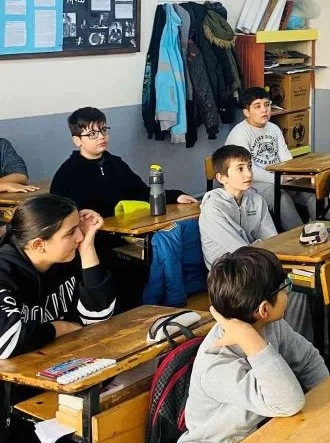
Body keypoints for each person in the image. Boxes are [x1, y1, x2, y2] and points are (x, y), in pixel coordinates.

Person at [178, 246, 328, 443]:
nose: (288, 292)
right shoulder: (216, 364)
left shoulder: (270, 325)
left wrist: (325, 417)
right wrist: (250, 339)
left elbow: (309, 360)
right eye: (285, 287)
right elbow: (288, 401)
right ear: (263, 309)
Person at [199, 145, 312, 341]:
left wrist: (261, 247)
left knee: (301, 286)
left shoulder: (255, 199)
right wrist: (259, 246)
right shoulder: (213, 207)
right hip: (228, 277)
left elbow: (272, 242)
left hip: (256, 267)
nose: (248, 173)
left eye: (250, 166)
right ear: (222, 178)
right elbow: (240, 251)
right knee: (289, 291)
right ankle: (285, 346)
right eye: (240, 169)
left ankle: (297, 347)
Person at [0, 194, 115, 358]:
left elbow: (98, 317)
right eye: (71, 232)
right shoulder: (5, 272)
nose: (80, 237)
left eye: (78, 227)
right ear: (39, 245)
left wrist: (87, 248)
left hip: (58, 359)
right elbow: (5, 342)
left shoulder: (65, 257)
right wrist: (62, 327)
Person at [50, 107, 197, 216]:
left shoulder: (116, 164)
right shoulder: (67, 173)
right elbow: (61, 215)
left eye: (103, 130)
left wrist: (175, 196)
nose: (101, 137)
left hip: (124, 231)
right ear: (77, 140)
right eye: (92, 134)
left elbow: (141, 193)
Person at [225, 88, 314, 230]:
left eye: (267, 105)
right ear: (246, 112)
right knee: (281, 197)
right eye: (257, 106)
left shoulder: (274, 128)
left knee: (310, 190)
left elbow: (285, 157)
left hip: (278, 178)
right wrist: (280, 179)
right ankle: (299, 235)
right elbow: (249, 170)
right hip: (252, 182)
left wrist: (294, 175)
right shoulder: (239, 133)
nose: (264, 110)